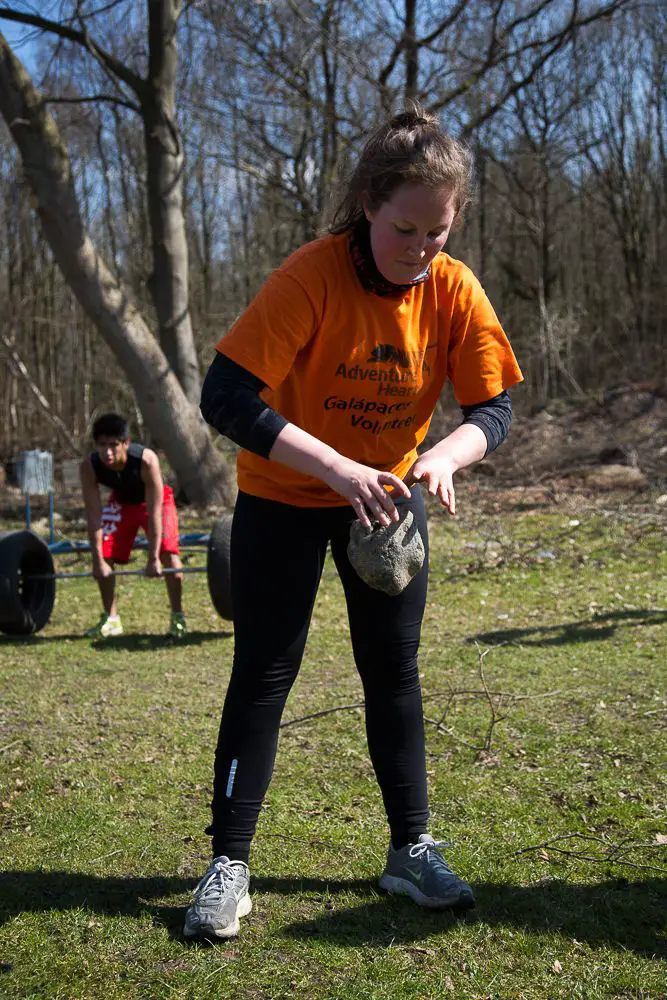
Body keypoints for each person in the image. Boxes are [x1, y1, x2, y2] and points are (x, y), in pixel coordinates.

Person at [184, 107, 523, 940]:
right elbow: (223, 395)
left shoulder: (453, 288)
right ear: (369, 203)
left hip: (388, 506)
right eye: (405, 229)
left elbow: (493, 407)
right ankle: (229, 864)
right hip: (284, 497)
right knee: (264, 672)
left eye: (437, 233)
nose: (419, 249)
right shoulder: (310, 276)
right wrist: (334, 466)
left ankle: (410, 849)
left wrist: (445, 458)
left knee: (393, 672)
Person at [79, 412, 186, 639]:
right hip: (122, 503)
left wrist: (153, 558)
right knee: (104, 552)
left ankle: (178, 617)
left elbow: (155, 512)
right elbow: (94, 516)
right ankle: (112, 619)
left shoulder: (146, 460)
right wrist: (98, 560)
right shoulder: (90, 467)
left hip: (156, 503)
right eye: (102, 445)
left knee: (170, 558)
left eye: (113, 445)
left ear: (126, 443)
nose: (107, 452)